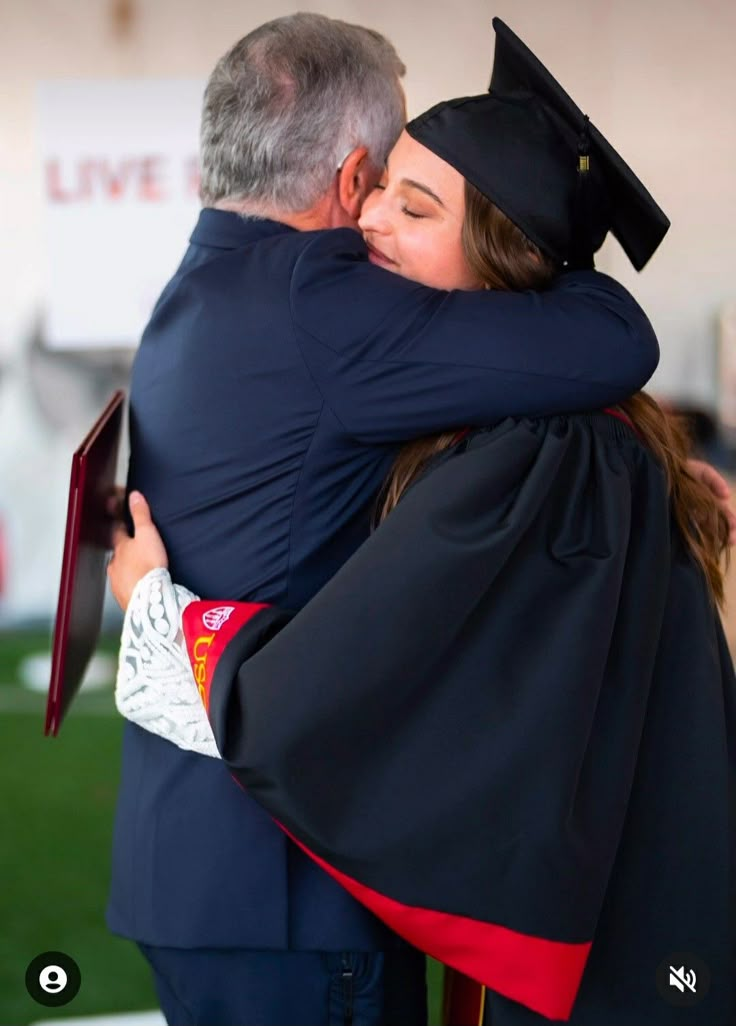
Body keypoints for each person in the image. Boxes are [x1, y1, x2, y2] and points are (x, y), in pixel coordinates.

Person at [109, 18, 735, 1026]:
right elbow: (611, 335)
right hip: (283, 884)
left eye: (417, 201)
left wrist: (152, 615)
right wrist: (152, 622)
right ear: (349, 170)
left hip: (236, 866)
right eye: (382, 187)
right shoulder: (349, 321)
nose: (368, 225)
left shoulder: (214, 282)